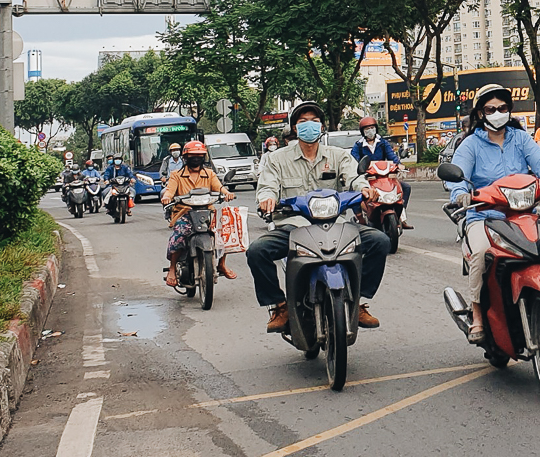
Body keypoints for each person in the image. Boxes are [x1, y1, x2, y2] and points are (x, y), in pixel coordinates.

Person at [249, 102, 385, 334]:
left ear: (321, 127)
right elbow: (268, 186)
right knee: (257, 252)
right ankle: (280, 306)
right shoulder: (276, 159)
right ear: (294, 128)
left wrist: (364, 189)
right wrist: (267, 199)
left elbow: (354, 178)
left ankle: (359, 302)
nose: (309, 126)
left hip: (336, 225)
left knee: (379, 241)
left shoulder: (338, 155)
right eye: (303, 122)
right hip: (293, 228)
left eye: (313, 121)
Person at [444, 85, 540, 343]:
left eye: (502, 108)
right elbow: (458, 177)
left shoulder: (520, 139)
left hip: (524, 214)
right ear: (480, 113)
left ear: (509, 110)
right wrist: (461, 193)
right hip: (484, 216)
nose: (497, 113)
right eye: (491, 109)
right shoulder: (470, 145)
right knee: (480, 253)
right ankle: (477, 314)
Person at [160, 140, 238, 285]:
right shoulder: (176, 175)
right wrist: (167, 197)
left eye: (199, 155)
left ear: (204, 157)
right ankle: (172, 268)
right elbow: (170, 190)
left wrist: (227, 193)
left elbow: (219, 188)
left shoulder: (209, 174)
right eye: (192, 155)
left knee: (223, 233)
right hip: (184, 213)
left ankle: (221, 264)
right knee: (179, 235)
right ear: (186, 157)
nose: (196, 158)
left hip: (207, 213)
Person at [351, 116, 412, 228]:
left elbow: (391, 156)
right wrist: (359, 169)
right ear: (363, 132)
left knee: (405, 188)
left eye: (372, 127)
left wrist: (398, 164)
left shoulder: (382, 143)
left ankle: (400, 216)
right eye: (367, 129)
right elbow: (354, 160)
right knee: (356, 192)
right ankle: (359, 217)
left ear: (376, 129)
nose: (370, 131)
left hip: (383, 176)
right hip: (367, 178)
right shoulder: (358, 146)